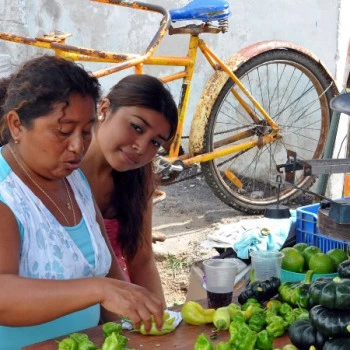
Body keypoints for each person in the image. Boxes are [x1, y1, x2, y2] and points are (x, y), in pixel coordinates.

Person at [0, 56, 164, 349]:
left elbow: (108, 272)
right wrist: (98, 290)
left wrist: (145, 329)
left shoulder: (74, 181)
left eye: (87, 131)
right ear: (16, 125)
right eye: (63, 131)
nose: (77, 146)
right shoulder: (5, 193)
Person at [81, 74, 178, 307]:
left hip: (117, 306)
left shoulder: (140, 178)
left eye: (155, 142)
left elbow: (141, 260)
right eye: (136, 127)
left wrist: (162, 324)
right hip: (57, 311)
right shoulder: (61, 168)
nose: (140, 147)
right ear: (104, 108)